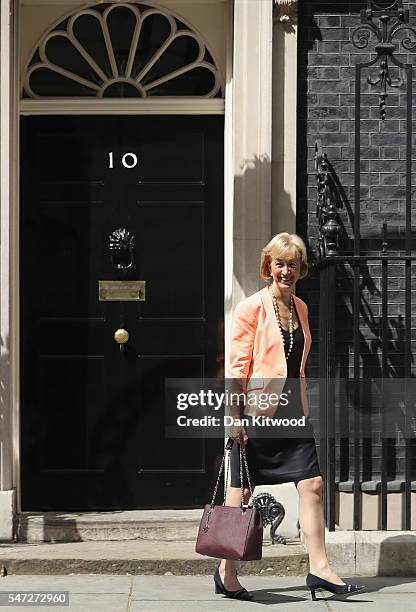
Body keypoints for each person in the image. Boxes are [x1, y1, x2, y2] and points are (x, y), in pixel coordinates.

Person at [213, 232, 365, 601]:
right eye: (279, 263)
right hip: (258, 412)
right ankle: (225, 571)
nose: (286, 270)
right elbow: (237, 367)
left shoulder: (300, 308)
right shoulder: (251, 308)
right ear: (268, 267)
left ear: (301, 269)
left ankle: (320, 569)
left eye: (292, 264)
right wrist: (235, 419)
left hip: (294, 411)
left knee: (312, 484)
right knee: (242, 489)